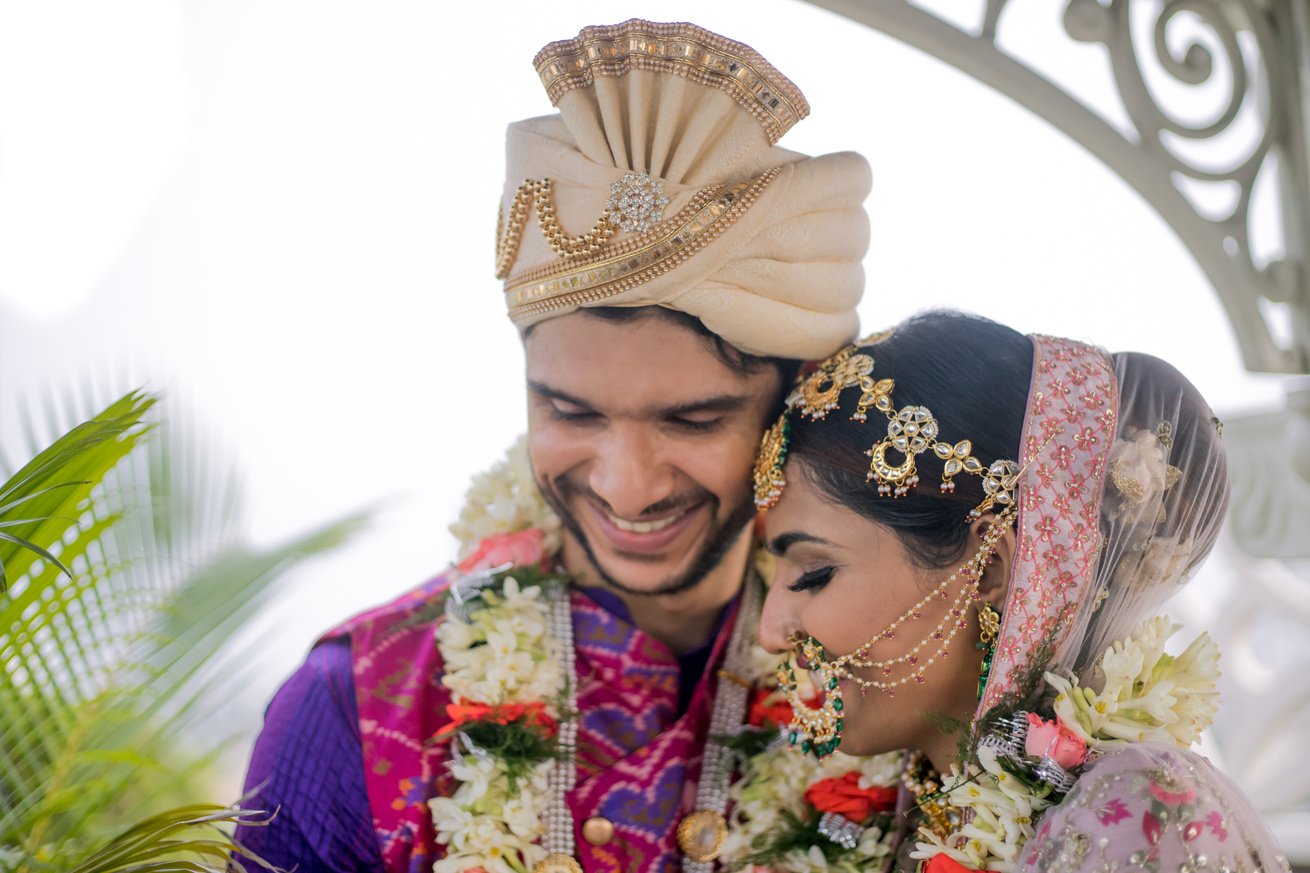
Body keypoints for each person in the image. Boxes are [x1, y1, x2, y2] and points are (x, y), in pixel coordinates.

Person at [234, 18, 878, 873]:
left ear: (790, 406)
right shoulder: (356, 703)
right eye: (572, 412)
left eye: (691, 421)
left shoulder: (884, 691)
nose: (627, 485)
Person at [753, 311, 1291, 871]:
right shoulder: (901, 808)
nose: (770, 632)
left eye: (813, 574)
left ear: (990, 570)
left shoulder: (1142, 811)